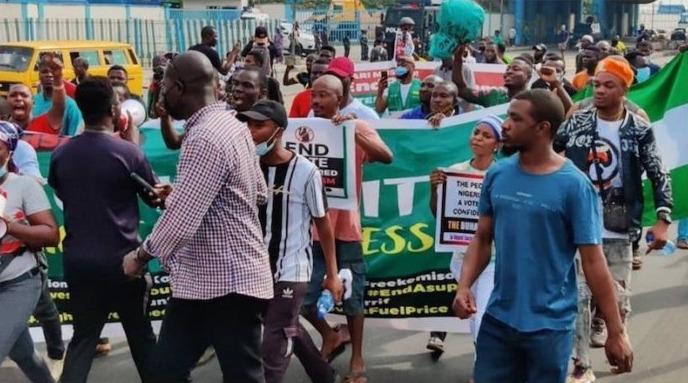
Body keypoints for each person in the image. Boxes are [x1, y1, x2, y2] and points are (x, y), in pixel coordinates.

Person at [455, 89, 634, 383]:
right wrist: (464, 287)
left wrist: (615, 331)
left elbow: (593, 262)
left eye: (515, 118)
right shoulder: (498, 175)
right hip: (498, 321)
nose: (506, 125)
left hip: (549, 329)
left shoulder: (575, 186)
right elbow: (482, 239)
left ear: (542, 129)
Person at [122, 51, 273, 383]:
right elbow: (258, 192)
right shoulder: (232, 125)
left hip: (228, 282)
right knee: (164, 373)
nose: (160, 97)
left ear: (178, 87)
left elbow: (181, 223)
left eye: (163, 88)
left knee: (239, 376)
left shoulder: (205, 136)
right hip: (203, 281)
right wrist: (186, 194)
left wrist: (140, 256)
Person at [554, 57, 670, 383]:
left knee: (617, 298)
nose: (600, 90)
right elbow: (550, 153)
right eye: (596, 85)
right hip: (577, 218)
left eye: (609, 85)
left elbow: (659, 174)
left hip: (619, 220)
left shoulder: (639, 127)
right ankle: (581, 364)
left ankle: (613, 331)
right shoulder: (576, 121)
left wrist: (662, 219)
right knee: (578, 295)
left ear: (624, 89)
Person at [48, 76, 159, 383]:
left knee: (84, 338)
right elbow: (153, 195)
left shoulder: (61, 154)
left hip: (79, 262)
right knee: (140, 336)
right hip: (125, 263)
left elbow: (60, 190)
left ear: (81, 110)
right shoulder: (129, 153)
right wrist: (132, 142)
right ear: (114, 109)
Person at [237, 100, 344, 383]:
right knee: (287, 327)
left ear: (279, 130)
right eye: (248, 124)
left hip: (291, 270)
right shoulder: (246, 167)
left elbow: (323, 222)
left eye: (259, 125)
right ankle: (324, 375)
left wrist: (332, 275)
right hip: (253, 269)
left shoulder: (306, 171)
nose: (251, 131)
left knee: (273, 345)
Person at [303, 74, 393, 383]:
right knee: (300, 299)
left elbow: (386, 156)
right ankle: (330, 335)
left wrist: (353, 132)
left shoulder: (356, 126)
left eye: (323, 95)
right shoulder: (303, 130)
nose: (315, 101)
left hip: (346, 231)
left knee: (354, 299)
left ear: (339, 99)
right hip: (308, 231)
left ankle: (357, 358)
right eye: (313, 95)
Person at [426, 115, 502, 365]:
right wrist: (434, 189)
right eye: (476, 133)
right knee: (474, 314)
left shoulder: (502, 174)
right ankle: (486, 364)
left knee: (481, 317)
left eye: (486, 135)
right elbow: (440, 216)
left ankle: (484, 369)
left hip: (492, 257)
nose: (478, 138)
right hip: (461, 258)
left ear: (497, 145)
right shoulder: (456, 171)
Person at [0, 121, 60, 383]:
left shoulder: (24, 185)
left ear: (9, 153)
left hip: (19, 282)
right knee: (24, 354)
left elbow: (50, 234)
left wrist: (10, 226)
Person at [453, 45, 532, 108]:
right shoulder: (493, 95)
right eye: (508, 69)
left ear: (528, 77)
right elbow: (461, 89)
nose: (509, 72)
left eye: (516, 69)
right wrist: (457, 58)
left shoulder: (534, 101)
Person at [29, 54, 83, 136]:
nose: (50, 75)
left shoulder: (71, 105)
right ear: (39, 75)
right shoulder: (33, 102)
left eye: (53, 72)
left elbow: (75, 138)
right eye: (45, 72)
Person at [313, 57, 379, 119]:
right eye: (331, 75)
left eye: (340, 76)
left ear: (351, 80)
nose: (335, 79)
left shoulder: (367, 115)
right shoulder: (315, 112)